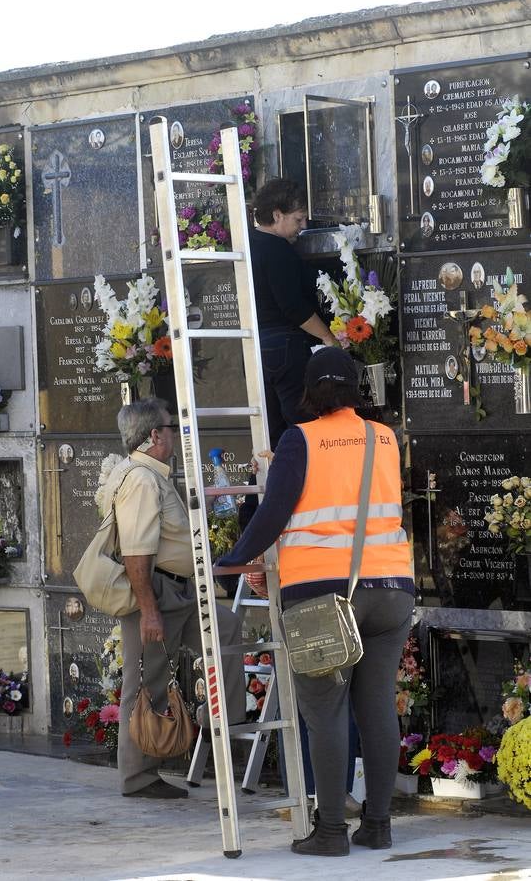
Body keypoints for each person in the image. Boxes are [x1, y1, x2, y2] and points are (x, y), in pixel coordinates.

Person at [217, 348, 414, 857]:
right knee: (375, 706)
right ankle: (378, 824)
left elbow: (273, 514)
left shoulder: (299, 439)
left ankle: (330, 832)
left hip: (322, 595)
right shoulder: (384, 437)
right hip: (391, 588)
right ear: (355, 389)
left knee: (326, 712)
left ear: (308, 390)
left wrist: (231, 560)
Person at [101, 398, 246, 799]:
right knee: (145, 682)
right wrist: (149, 610)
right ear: (154, 435)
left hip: (178, 591)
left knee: (227, 627)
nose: (176, 433)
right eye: (171, 426)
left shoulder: (150, 474)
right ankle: (138, 778)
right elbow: (135, 551)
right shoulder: (142, 480)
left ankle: (220, 722)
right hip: (156, 592)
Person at [250, 178, 335, 449]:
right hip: (285, 347)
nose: (303, 226)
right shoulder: (277, 249)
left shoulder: (249, 244)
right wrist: (329, 338)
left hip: (256, 347)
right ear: (277, 214)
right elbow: (293, 307)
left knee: (271, 433)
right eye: (298, 219)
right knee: (304, 427)